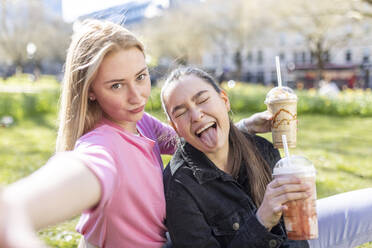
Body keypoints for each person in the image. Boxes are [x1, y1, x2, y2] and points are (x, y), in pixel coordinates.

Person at [0, 20, 271, 248]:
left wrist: (243, 127)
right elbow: (71, 176)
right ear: (90, 91)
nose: (137, 96)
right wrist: (15, 208)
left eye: (141, 77)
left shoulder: (142, 123)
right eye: (117, 85)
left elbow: (190, 137)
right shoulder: (102, 148)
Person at [160, 67, 372, 248]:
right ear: (175, 127)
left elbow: (292, 237)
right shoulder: (179, 187)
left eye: (203, 100)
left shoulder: (261, 149)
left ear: (224, 100)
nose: (196, 115)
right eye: (181, 112)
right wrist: (261, 222)